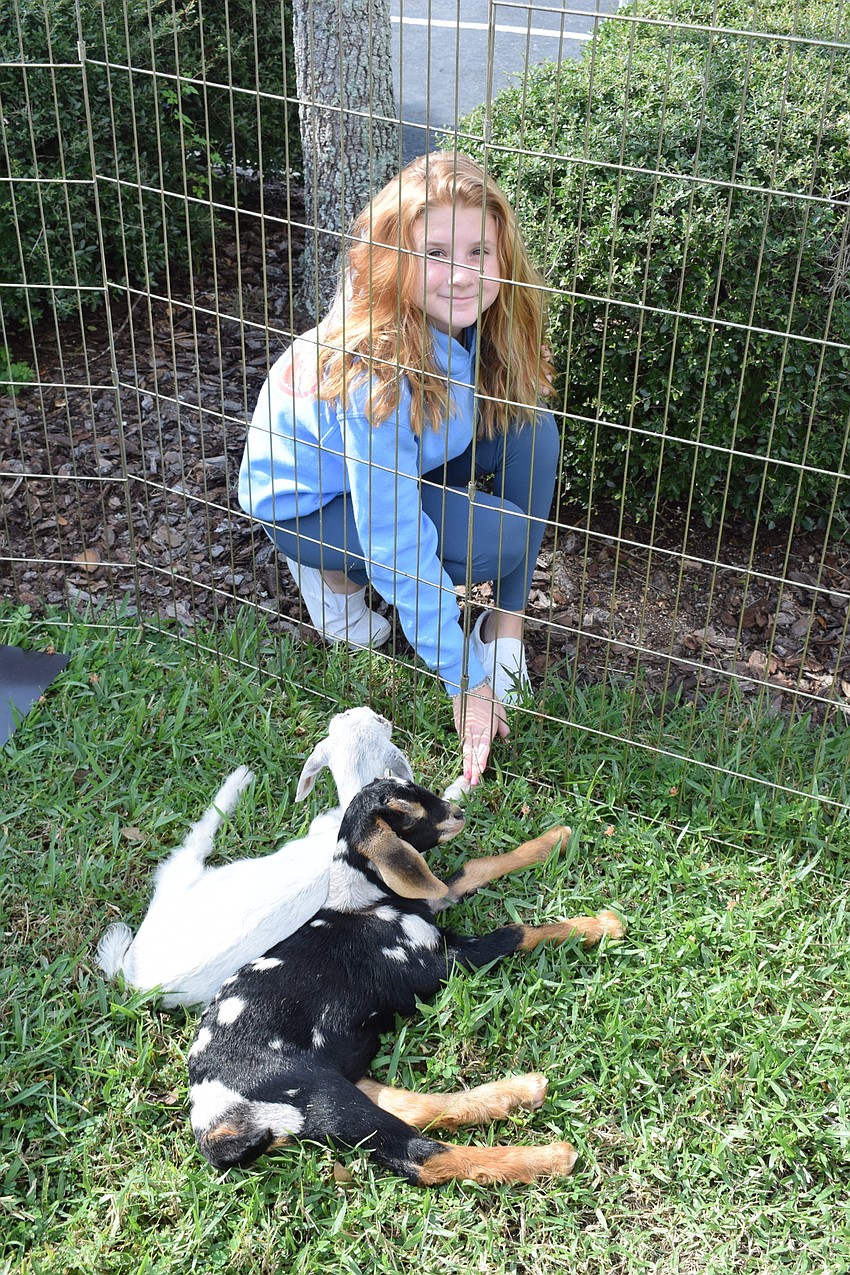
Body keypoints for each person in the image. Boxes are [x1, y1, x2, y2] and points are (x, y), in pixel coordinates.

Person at [238, 152, 559, 786]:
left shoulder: (474, 319)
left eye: (479, 252)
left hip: (396, 461)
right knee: (497, 536)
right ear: (396, 259)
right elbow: (396, 543)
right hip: (308, 501)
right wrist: (462, 680)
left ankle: (505, 632)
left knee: (532, 429)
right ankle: (332, 579)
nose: (461, 273)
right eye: (436, 252)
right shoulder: (376, 368)